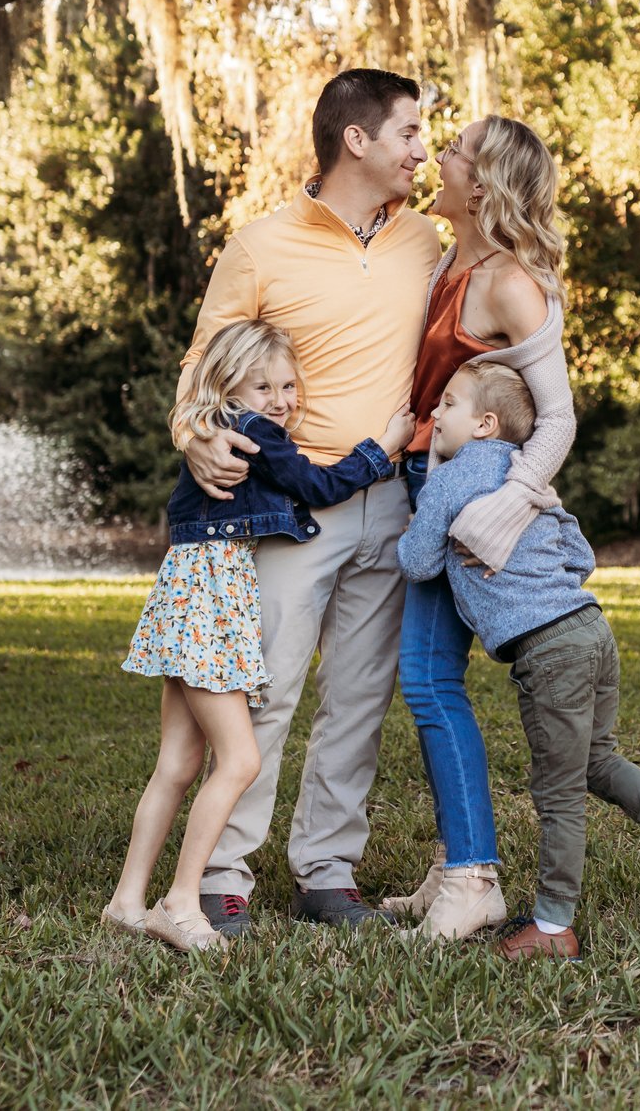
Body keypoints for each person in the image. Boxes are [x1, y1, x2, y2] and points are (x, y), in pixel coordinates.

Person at [175, 68, 444, 934]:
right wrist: (194, 434)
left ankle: (327, 872)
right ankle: (222, 873)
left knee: (360, 699)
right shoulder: (260, 244)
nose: (421, 148)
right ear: (356, 140)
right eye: (408, 132)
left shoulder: (426, 243)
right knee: (269, 689)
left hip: (394, 502)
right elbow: (200, 368)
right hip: (292, 505)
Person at [398, 361, 640, 962]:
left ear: (483, 424)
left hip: (548, 650)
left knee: (558, 795)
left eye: (447, 404)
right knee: (596, 760)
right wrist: (540, 577)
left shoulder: (451, 479)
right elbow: (580, 552)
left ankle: (553, 927)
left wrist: (427, 510)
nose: (434, 414)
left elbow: (417, 563)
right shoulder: (532, 480)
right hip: (590, 628)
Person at [106, 320, 414, 952]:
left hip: (188, 598)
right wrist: (383, 447)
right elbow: (317, 486)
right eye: (263, 385)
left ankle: (126, 900)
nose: (281, 399)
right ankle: (182, 900)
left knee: (178, 763)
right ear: (229, 387)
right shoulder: (255, 434)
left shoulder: (222, 427)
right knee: (241, 759)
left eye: (289, 385)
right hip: (212, 605)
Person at [381, 116, 577, 940]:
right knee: (426, 679)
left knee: (429, 680)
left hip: (468, 496)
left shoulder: (508, 282)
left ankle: (474, 877)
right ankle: (455, 860)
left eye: (453, 148)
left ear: (486, 181)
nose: (437, 156)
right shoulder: (440, 259)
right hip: (424, 479)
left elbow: (559, 418)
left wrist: (504, 507)